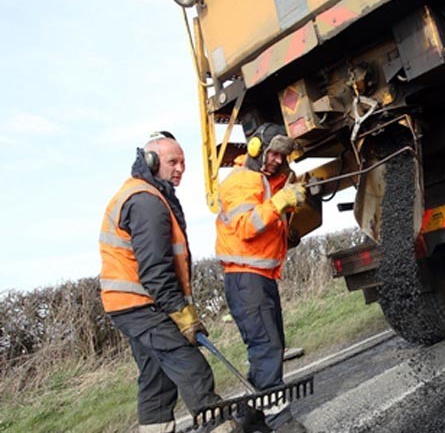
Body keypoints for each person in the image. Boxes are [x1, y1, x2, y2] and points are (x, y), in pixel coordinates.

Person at [99, 131, 234, 432]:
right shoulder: (146, 201)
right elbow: (155, 271)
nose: (180, 168)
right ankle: (219, 427)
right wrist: (182, 315)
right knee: (191, 366)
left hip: (129, 304)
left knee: (156, 378)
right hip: (140, 304)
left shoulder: (146, 194)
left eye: (183, 162)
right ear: (151, 160)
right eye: (173, 161)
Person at [215, 122, 308, 433]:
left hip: (259, 278)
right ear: (256, 149)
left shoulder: (267, 183)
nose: (278, 160)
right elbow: (246, 226)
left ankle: (248, 417)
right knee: (267, 346)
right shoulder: (241, 181)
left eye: (283, 156)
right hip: (246, 280)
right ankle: (280, 422)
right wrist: (281, 202)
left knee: (268, 346)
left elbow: (271, 225)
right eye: (274, 154)